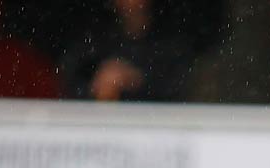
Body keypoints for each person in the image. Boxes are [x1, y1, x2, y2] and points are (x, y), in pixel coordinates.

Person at [60, 0, 223, 103]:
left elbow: (181, 87)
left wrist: (133, 79)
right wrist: (98, 85)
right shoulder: (94, 39)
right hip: (104, 131)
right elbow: (70, 83)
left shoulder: (171, 40)